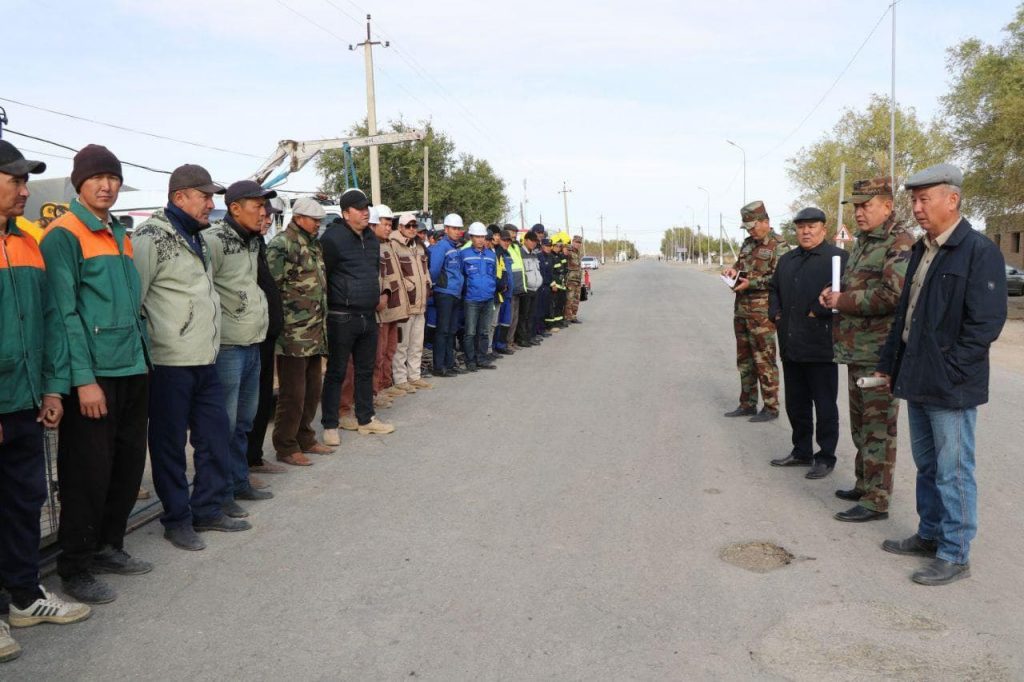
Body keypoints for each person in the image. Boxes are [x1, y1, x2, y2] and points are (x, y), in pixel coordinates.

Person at [877, 164, 1007, 586]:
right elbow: (906, 315)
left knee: (954, 469)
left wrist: (952, 371)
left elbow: (985, 325)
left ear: (952, 200)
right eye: (913, 200)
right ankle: (930, 534)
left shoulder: (979, 251)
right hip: (916, 375)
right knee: (928, 465)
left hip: (951, 385)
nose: (916, 207)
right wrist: (888, 363)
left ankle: (955, 553)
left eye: (923, 199)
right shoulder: (922, 249)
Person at [40, 145, 152, 604]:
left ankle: (110, 545)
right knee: (86, 473)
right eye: (97, 178)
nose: (106, 185)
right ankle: (76, 566)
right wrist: (82, 380)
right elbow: (64, 313)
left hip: (132, 366)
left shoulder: (118, 233)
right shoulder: (63, 235)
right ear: (78, 183)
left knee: (126, 466)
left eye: (113, 177)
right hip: (95, 377)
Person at [0, 142, 89, 664]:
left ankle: (26, 597)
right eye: (15, 180)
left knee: (24, 502)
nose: (25, 190)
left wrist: (53, 388)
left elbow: (52, 320)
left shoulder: (28, 242)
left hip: (26, 401)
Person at [134, 164, 250, 552]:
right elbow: (136, 298)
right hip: (169, 361)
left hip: (205, 357)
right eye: (204, 196)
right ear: (178, 196)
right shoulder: (151, 236)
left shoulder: (197, 237)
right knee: (168, 445)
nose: (210, 204)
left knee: (214, 435)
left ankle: (208, 508)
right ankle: (177, 519)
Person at [820, 178, 914, 523]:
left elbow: (893, 295)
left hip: (879, 354)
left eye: (866, 205)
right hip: (856, 350)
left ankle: (877, 499)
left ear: (887, 206)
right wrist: (832, 292)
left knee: (878, 428)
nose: (859, 213)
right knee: (861, 425)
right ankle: (864, 483)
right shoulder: (863, 242)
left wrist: (842, 300)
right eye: (856, 207)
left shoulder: (898, 242)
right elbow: (857, 285)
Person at [202, 180, 274, 515]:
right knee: (224, 424)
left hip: (253, 342)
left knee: (245, 420)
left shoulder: (253, 241)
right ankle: (221, 493)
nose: (263, 212)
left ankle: (239, 480)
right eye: (257, 205)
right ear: (234, 208)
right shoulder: (213, 240)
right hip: (228, 346)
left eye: (264, 205)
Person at [768, 208, 848, 479]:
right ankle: (801, 450)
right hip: (790, 344)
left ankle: (825, 456)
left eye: (811, 226)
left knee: (825, 405)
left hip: (821, 346)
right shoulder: (787, 260)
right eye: (801, 226)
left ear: (823, 229)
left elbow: (844, 294)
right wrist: (775, 313)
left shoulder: (838, 259)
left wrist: (819, 310)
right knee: (796, 403)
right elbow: (774, 289)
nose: (805, 231)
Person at [320, 188, 394, 441]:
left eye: (366, 208)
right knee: (337, 371)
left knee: (365, 369)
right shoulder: (332, 238)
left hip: (367, 315)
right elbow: (324, 277)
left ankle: (366, 418)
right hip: (342, 316)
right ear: (345, 213)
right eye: (360, 209)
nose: (365, 212)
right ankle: (331, 424)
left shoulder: (372, 240)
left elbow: (373, 272)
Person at [267, 197, 331, 466]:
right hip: (293, 332)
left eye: (319, 220)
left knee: (313, 389)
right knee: (293, 392)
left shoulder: (313, 244)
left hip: (315, 330)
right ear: (299, 218)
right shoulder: (282, 245)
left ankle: (305, 436)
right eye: (314, 220)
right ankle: (286, 444)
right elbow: (272, 286)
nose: (318, 224)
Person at [722, 200, 786, 422]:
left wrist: (752, 283)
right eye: (747, 227)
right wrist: (733, 272)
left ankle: (771, 407)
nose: (749, 230)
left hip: (762, 314)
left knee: (764, 359)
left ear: (765, 222)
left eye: (752, 225)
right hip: (741, 310)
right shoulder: (748, 244)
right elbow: (742, 269)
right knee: (745, 359)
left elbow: (779, 279)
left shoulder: (779, 245)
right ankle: (747, 403)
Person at [247, 199, 286, 479]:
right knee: (245, 408)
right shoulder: (241, 244)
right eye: (263, 215)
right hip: (248, 338)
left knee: (261, 401)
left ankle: (254, 458)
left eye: (270, 216)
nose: (267, 220)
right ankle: (243, 463)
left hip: (266, 334)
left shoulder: (258, 244)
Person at [371, 205, 411, 403]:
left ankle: (385, 385)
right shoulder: (374, 246)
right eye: (384, 224)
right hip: (382, 308)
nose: (388, 228)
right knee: (378, 353)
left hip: (394, 306)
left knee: (390, 350)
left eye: (389, 224)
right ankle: (376, 389)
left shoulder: (388, 244)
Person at [390, 212, 433, 392]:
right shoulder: (394, 246)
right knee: (402, 344)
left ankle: (414, 376)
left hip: (420, 303)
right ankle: (400, 380)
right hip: (405, 304)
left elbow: (425, 271)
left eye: (414, 226)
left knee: (417, 343)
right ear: (400, 227)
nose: (412, 229)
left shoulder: (419, 246)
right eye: (408, 226)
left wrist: (428, 284)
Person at [428, 213, 466, 378]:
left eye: (459, 229)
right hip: (444, 294)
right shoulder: (441, 247)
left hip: (455, 294)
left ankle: (449, 364)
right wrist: (435, 287)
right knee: (443, 331)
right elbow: (434, 270)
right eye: (454, 228)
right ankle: (439, 366)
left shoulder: (455, 248)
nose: (457, 231)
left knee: (451, 330)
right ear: (446, 229)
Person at [459, 222, 499, 371]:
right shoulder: (464, 254)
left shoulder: (491, 255)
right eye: (477, 237)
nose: (481, 240)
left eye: (483, 237)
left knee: (484, 331)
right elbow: (461, 276)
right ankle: (470, 361)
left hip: (488, 299)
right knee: (470, 332)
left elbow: (494, 275)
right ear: (471, 237)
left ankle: (482, 359)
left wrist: (491, 289)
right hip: (471, 299)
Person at [502, 224, 527, 350]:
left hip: (517, 286)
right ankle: (506, 342)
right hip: (509, 287)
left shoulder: (515, 247)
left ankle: (511, 341)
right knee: (509, 317)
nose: (514, 234)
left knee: (515, 316)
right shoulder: (505, 247)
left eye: (515, 232)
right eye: (512, 232)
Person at [515, 230, 543, 347]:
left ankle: (530, 336)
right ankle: (522, 339)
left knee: (531, 315)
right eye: (531, 241)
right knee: (524, 315)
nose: (533, 243)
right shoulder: (520, 253)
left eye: (535, 241)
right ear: (525, 240)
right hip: (526, 290)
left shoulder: (534, 254)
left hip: (535, 289)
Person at [564, 234, 584, 323]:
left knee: (576, 299)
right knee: (569, 299)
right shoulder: (569, 250)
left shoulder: (578, 252)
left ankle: (573, 316)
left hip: (578, 280)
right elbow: (564, 250)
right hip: (570, 280)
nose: (578, 244)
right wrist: (566, 247)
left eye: (580, 243)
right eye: (576, 242)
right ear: (573, 242)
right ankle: (567, 317)